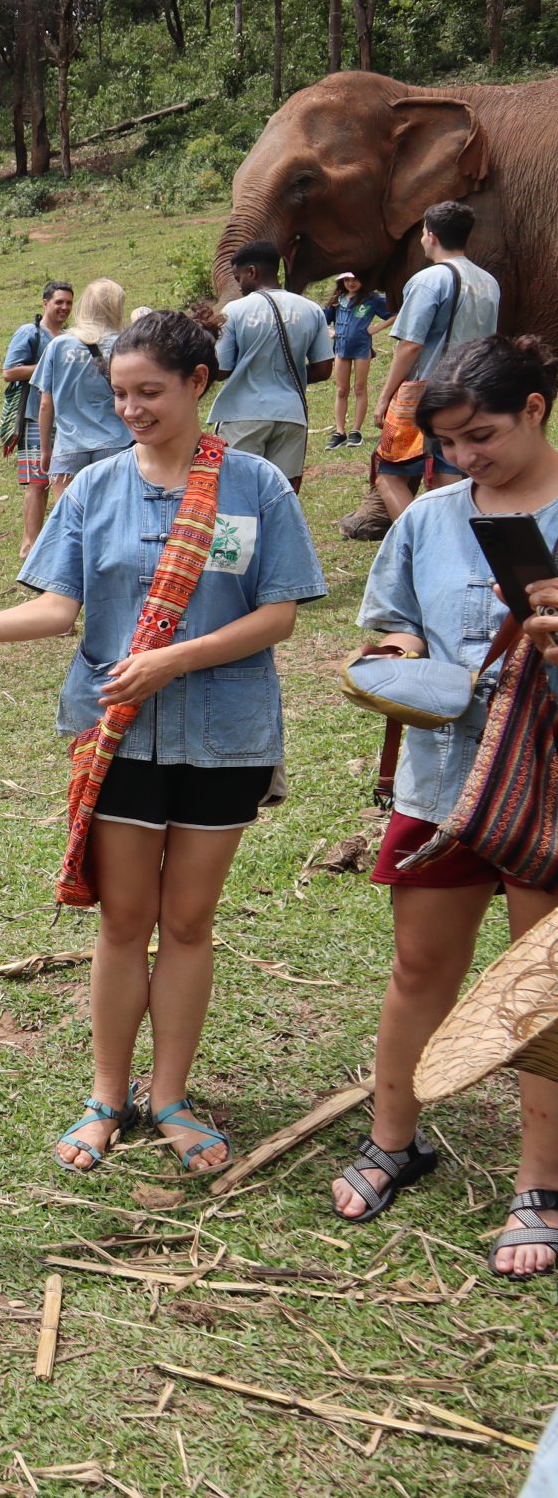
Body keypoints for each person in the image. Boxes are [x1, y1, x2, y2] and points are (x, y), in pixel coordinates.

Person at [0, 311, 325, 1174]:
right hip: (118, 734)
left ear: (199, 383)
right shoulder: (92, 488)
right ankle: (106, 1094)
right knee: (126, 920)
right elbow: (59, 607)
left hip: (225, 734)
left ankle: (170, 1096)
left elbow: (278, 612)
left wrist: (175, 659)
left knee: (189, 921)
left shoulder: (257, 487)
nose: (130, 409)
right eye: (120, 392)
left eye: (149, 392)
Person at [333, 333, 558, 1282]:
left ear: (538, 409)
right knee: (420, 964)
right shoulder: (427, 519)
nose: (468, 457)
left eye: (485, 435)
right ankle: (396, 1136)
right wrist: (394, 651)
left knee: (535, 994)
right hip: (441, 781)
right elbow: (393, 619)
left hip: (546, 784)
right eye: (453, 443)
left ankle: (539, 1182)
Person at [375, 201, 503, 522]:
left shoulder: (430, 280)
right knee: (453, 475)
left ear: (431, 236)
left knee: (388, 474)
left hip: (431, 392)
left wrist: (385, 397)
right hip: (476, 390)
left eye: (421, 233)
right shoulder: (488, 282)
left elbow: (410, 347)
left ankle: (423, 542)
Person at [212, 241, 333, 492]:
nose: (239, 285)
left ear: (252, 272)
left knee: (237, 491)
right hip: (291, 415)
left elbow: (222, 369)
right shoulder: (312, 310)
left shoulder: (234, 310)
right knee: (282, 492)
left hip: (242, 415)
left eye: (238, 278)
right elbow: (323, 370)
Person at [33, 277, 133, 498]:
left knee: (69, 522)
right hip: (116, 442)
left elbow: (45, 404)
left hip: (68, 446)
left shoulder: (58, 345)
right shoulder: (125, 344)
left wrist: (45, 450)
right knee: (112, 518)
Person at [3, 283, 71, 555]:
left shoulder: (69, 337)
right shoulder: (30, 333)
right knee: (36, 482)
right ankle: (29, 545)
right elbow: (9, 372)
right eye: (59, 302)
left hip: (65, 420)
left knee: (62, 480)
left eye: (68, 302)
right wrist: (48, 366)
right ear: (45, 303)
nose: (64, 307)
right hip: (34, 416)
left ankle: (51, 544)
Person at [322, 269, 392, 450]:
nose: (351, 283)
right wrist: (330, 331)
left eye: (355, 279)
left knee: (360, 388)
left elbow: (394, 313)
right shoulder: (337, 300)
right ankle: (339, 432)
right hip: (341, 349)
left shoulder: (372, 299)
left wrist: (376, 328)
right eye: (347, 280)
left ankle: (356, 431)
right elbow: (321, 319)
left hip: (362, 349)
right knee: (341, 390)